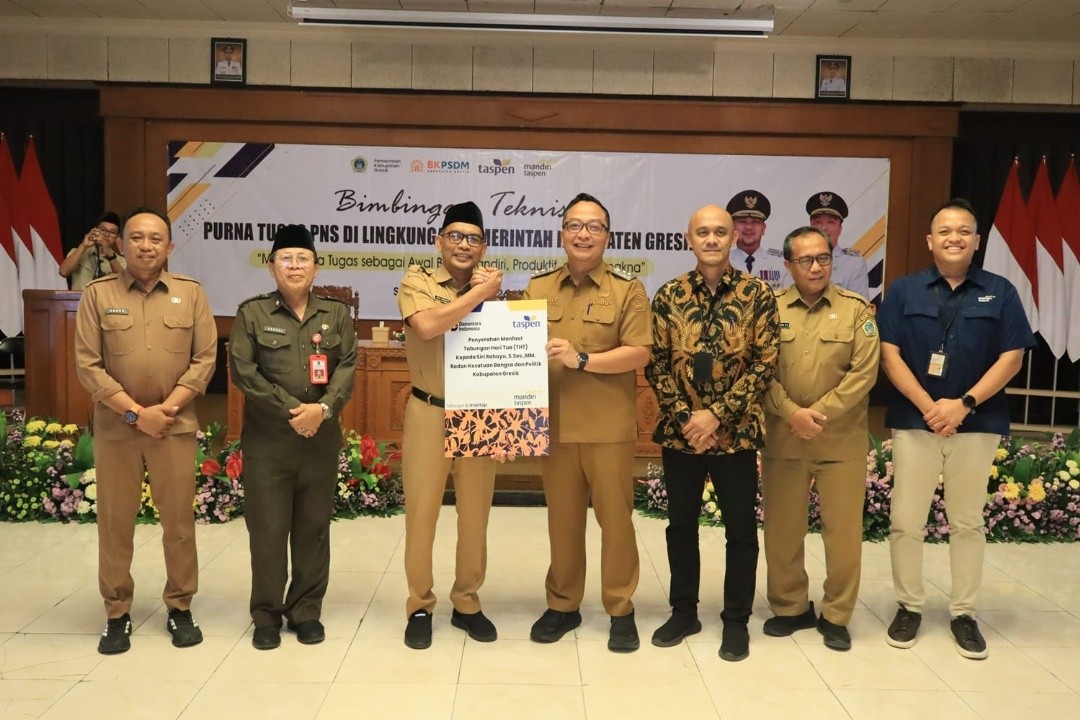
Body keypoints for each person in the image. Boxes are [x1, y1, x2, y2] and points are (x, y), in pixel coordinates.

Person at [877, 198, 1034, 660]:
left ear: (977, 240)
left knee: (967, 522)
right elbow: (889, 355)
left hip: (976, 421)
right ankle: (909, 606)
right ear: (930, 240)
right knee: (907, 522)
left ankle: (963, 612)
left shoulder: (1001, 291)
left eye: (964, 231)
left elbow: (1013, 357)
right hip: (916, 421)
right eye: (945, 231)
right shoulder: (904, 291)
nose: (954, 238)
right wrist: (931, 407)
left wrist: (962, 405)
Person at [74, 206, 217, 655]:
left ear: (169, 246)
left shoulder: (191, 294)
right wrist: (137, 413)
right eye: (136, 237)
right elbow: (88, 365)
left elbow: (205, 359)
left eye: (155, 238)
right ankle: (117, 612)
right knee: (116, 523)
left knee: (178, 522)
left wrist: (168, 409)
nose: (146, 245)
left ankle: (180, 606)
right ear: (121, 243)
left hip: (173, 427)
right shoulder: (97, 295)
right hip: (119, 429)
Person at [646, 204, 779, 662]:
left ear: (732, 239)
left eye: (720, 232)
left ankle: (736, 620)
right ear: (688, 239)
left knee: (740, 531)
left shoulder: (757, 294)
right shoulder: (668, 295)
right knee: (681, 526)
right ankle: (684, 611)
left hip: (737, 434)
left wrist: (717, 415)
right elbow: (656, 363)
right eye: (702, 232)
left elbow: (765, 362)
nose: (712, 239)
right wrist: (688, 417)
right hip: (680, 434)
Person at [524, 192, 652, 653]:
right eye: (575, 226)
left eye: (594, 227)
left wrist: (581, 358)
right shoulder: (537, 289)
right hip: (554, 426)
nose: (583, 234)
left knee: (616, 522)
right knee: (562, 522)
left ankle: (620, 606)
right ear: (561, 234)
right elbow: (516, 354)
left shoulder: (627, 290)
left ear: (607, 237)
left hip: (607, 429)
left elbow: (639, 352)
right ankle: (563, 605)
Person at [229, 224, 357, 650]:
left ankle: (305, 610)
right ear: (271, 268)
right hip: (269, 443)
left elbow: (347, 365)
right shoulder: (252, 314)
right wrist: (293, 412)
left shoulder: (336, 314)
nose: (295, 265)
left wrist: (321, 409)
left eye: (303, 258)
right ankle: (265, 614)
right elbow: (244, 373)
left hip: (320, 439)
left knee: (313, 528)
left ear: (315, 267)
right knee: (267, 530)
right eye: (286, 258)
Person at [761, 226, 879, 652]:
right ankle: (790, 606)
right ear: (788, 265)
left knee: (843, 534)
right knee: (782, 531)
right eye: (806, 260)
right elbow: (759, 371)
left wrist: (818, 415)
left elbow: (864, 374)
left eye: (823, 259)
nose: (816, 267)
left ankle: (836, 614)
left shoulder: (856, 311)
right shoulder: (769, 310)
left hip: (839, 443)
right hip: (784, 440)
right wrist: (793, 413)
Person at [397, 201, 503, 650]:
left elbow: (505, 347)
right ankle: (420, 603)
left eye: (473, 238)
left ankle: (467, 601)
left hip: (479, 411)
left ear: (483, 247)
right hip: (429, 410)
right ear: (439, 241)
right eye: (455, 236)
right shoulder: (417, 280)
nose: (464, 245)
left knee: (475, 514)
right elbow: (427, 326)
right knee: (422, 513)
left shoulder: (495, 285)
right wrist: (479, 296)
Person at [806, 192, 870, 299]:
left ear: (840, 229)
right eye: (817, 222)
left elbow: (859, 310)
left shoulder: (853, 264)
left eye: (830, 222)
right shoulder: (796, 260)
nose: (824, 228)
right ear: (810, 226)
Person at [727, 190, 786, 291]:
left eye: (755, 222)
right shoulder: (722, 261)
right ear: (733, 228)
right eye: (742, 222)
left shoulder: (781, 262)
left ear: (763, 228)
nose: (749, 227)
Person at [59, 211, 126, 290]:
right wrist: (84, 245)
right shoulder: (79, 252)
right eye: (103, 229)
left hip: (105, 302)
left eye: (112, 232)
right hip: (79, 301)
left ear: (117, 237)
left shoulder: (121, 261)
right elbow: (63, 272)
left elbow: (124, 282)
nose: (106, 234)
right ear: (95, 230)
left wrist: (109, 253)